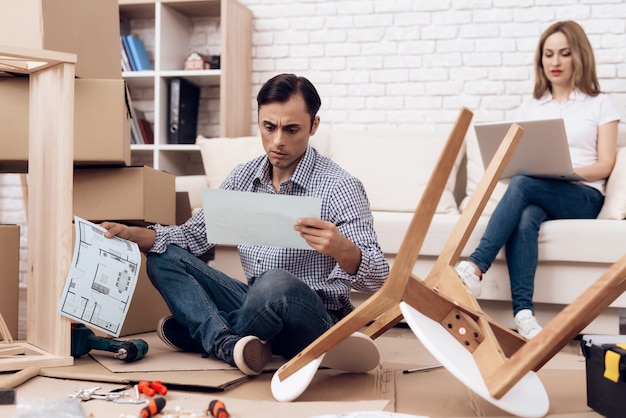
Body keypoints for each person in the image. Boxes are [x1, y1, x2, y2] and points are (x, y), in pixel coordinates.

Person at [101, 73, 390, 375]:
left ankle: (206, 333)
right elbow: (193, 235)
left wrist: (343, 250)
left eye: (292, 130)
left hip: (315, 316)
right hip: (254, 303)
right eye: (269, 127)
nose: (278, 141)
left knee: (275, 282)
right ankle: (230, 344)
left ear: (313, 126)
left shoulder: (340, 187)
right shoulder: (243, 177)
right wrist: (137, 235)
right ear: (259, 119)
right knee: (163, 258)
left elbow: (380, 280)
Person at [456, 20, 620, 339]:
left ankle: (475, 266)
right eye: (548, 54)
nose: (555, 62)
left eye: (563, 53)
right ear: (540, 59)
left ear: (579, 57)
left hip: (583, 195)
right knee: (527, 214)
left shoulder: (600, 103)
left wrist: (569, 173)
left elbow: (606, 164)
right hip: (540, 192)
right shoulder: (531, 107)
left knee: (524, 183)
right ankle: (524, 315)